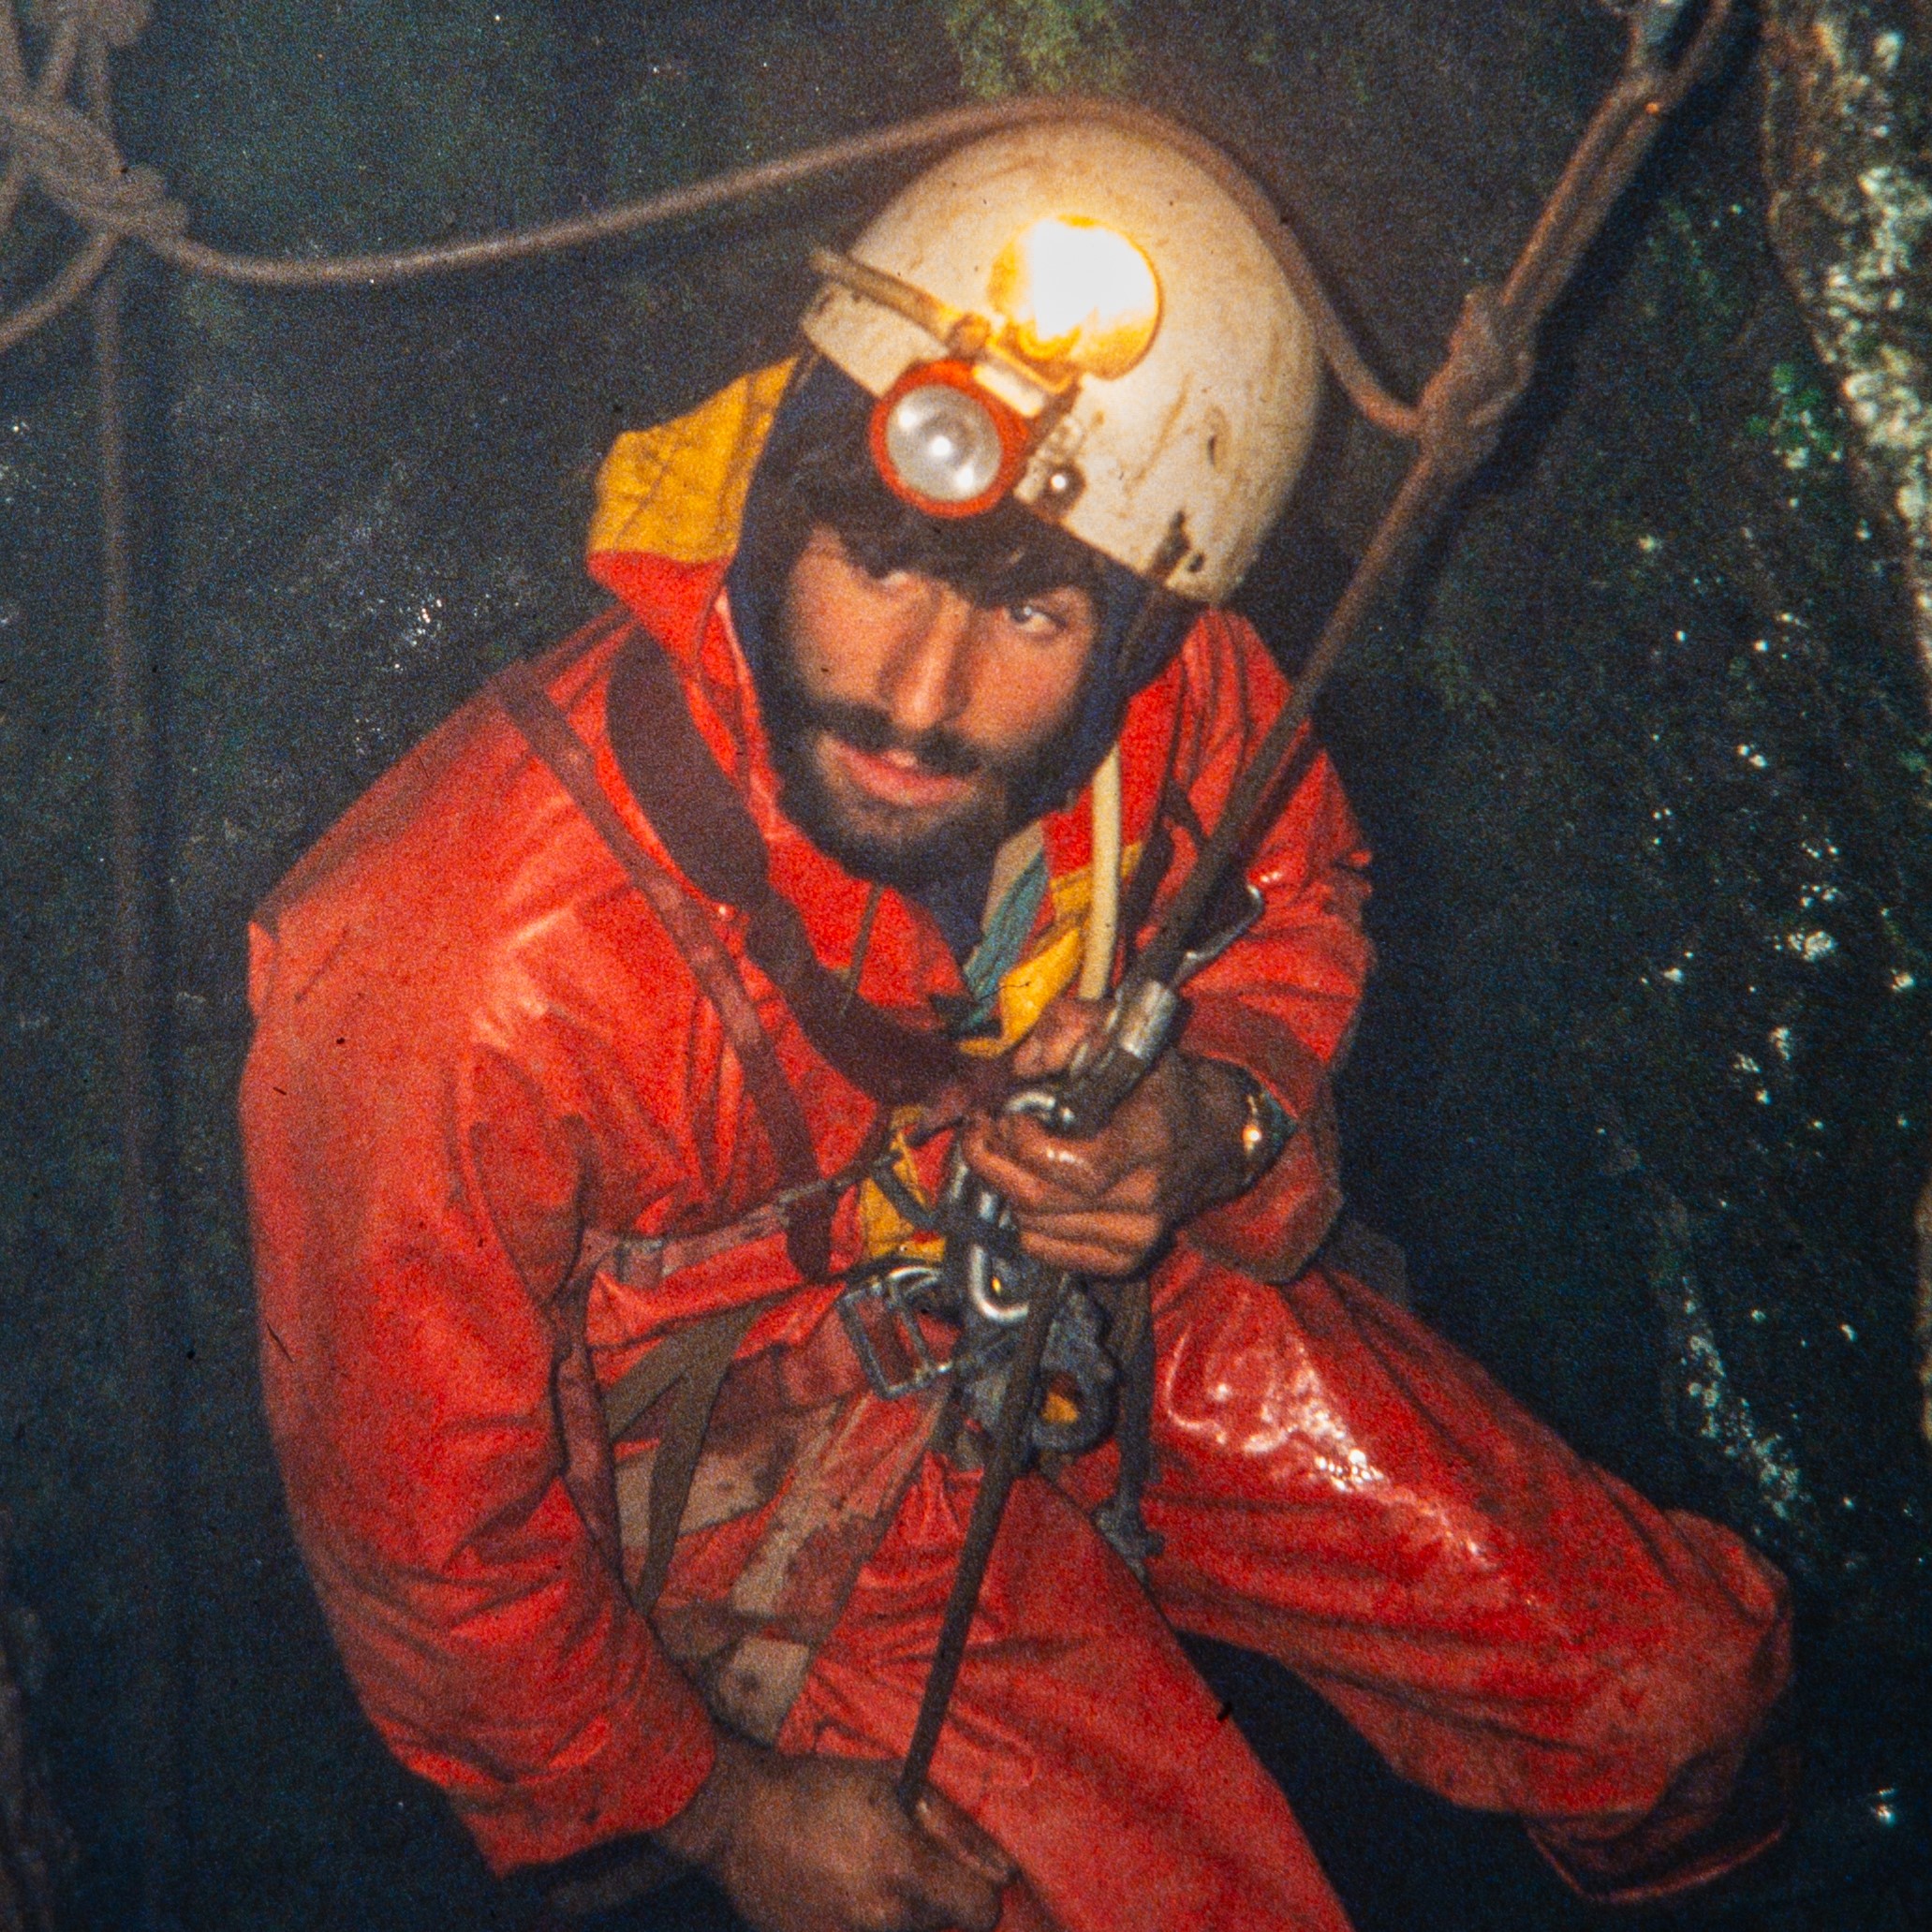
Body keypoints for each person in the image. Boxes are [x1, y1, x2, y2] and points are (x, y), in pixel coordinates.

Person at [242, 119, 1793, 1932]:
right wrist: (727, 1812)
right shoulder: (462, 964)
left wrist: (1212, 1121)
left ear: (1135, 632)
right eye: (879, 563)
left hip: (1089, 1284)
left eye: (1031, 611)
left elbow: (1295, 905)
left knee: (1675, 1699)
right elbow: (424, 1539)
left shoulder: (1175, 712)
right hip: (740, 1465)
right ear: (777, 510)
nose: (917, 697)